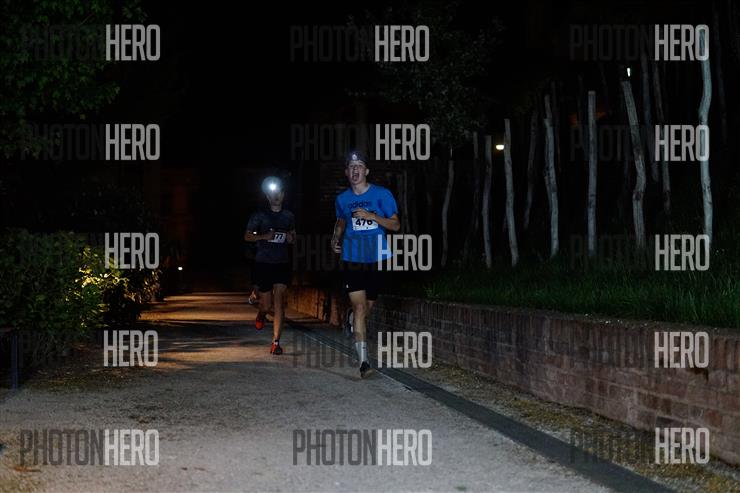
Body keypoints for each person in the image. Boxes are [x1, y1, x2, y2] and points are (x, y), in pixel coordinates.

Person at [331, 151, 400, 378]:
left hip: (377, 257)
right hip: (352, 258)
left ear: (366, 171)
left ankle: (352, 318)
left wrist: (373, 217)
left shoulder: (382, 195)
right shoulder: (342, 199)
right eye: (351, 166)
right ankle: (364, 363)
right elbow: (341, 221)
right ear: (346, 172)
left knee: (366, 309)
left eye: (359, 165)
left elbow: (395, 225)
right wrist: (335, 237)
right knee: (360, 308)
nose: (355, 170)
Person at [244, 176, 296, 355]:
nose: (276, 196)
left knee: (279, 302)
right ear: (267, 196)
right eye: (272, 193)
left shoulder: (289, 216)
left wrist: (290, 238)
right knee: (266, 305)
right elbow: (247, 236)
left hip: (282, 264)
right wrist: (264, 237)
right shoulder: (259, 215)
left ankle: (276, 342)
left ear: (283, 195)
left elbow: (293, 236)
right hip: (263, 263)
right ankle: (261, 313)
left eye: (279, 193)